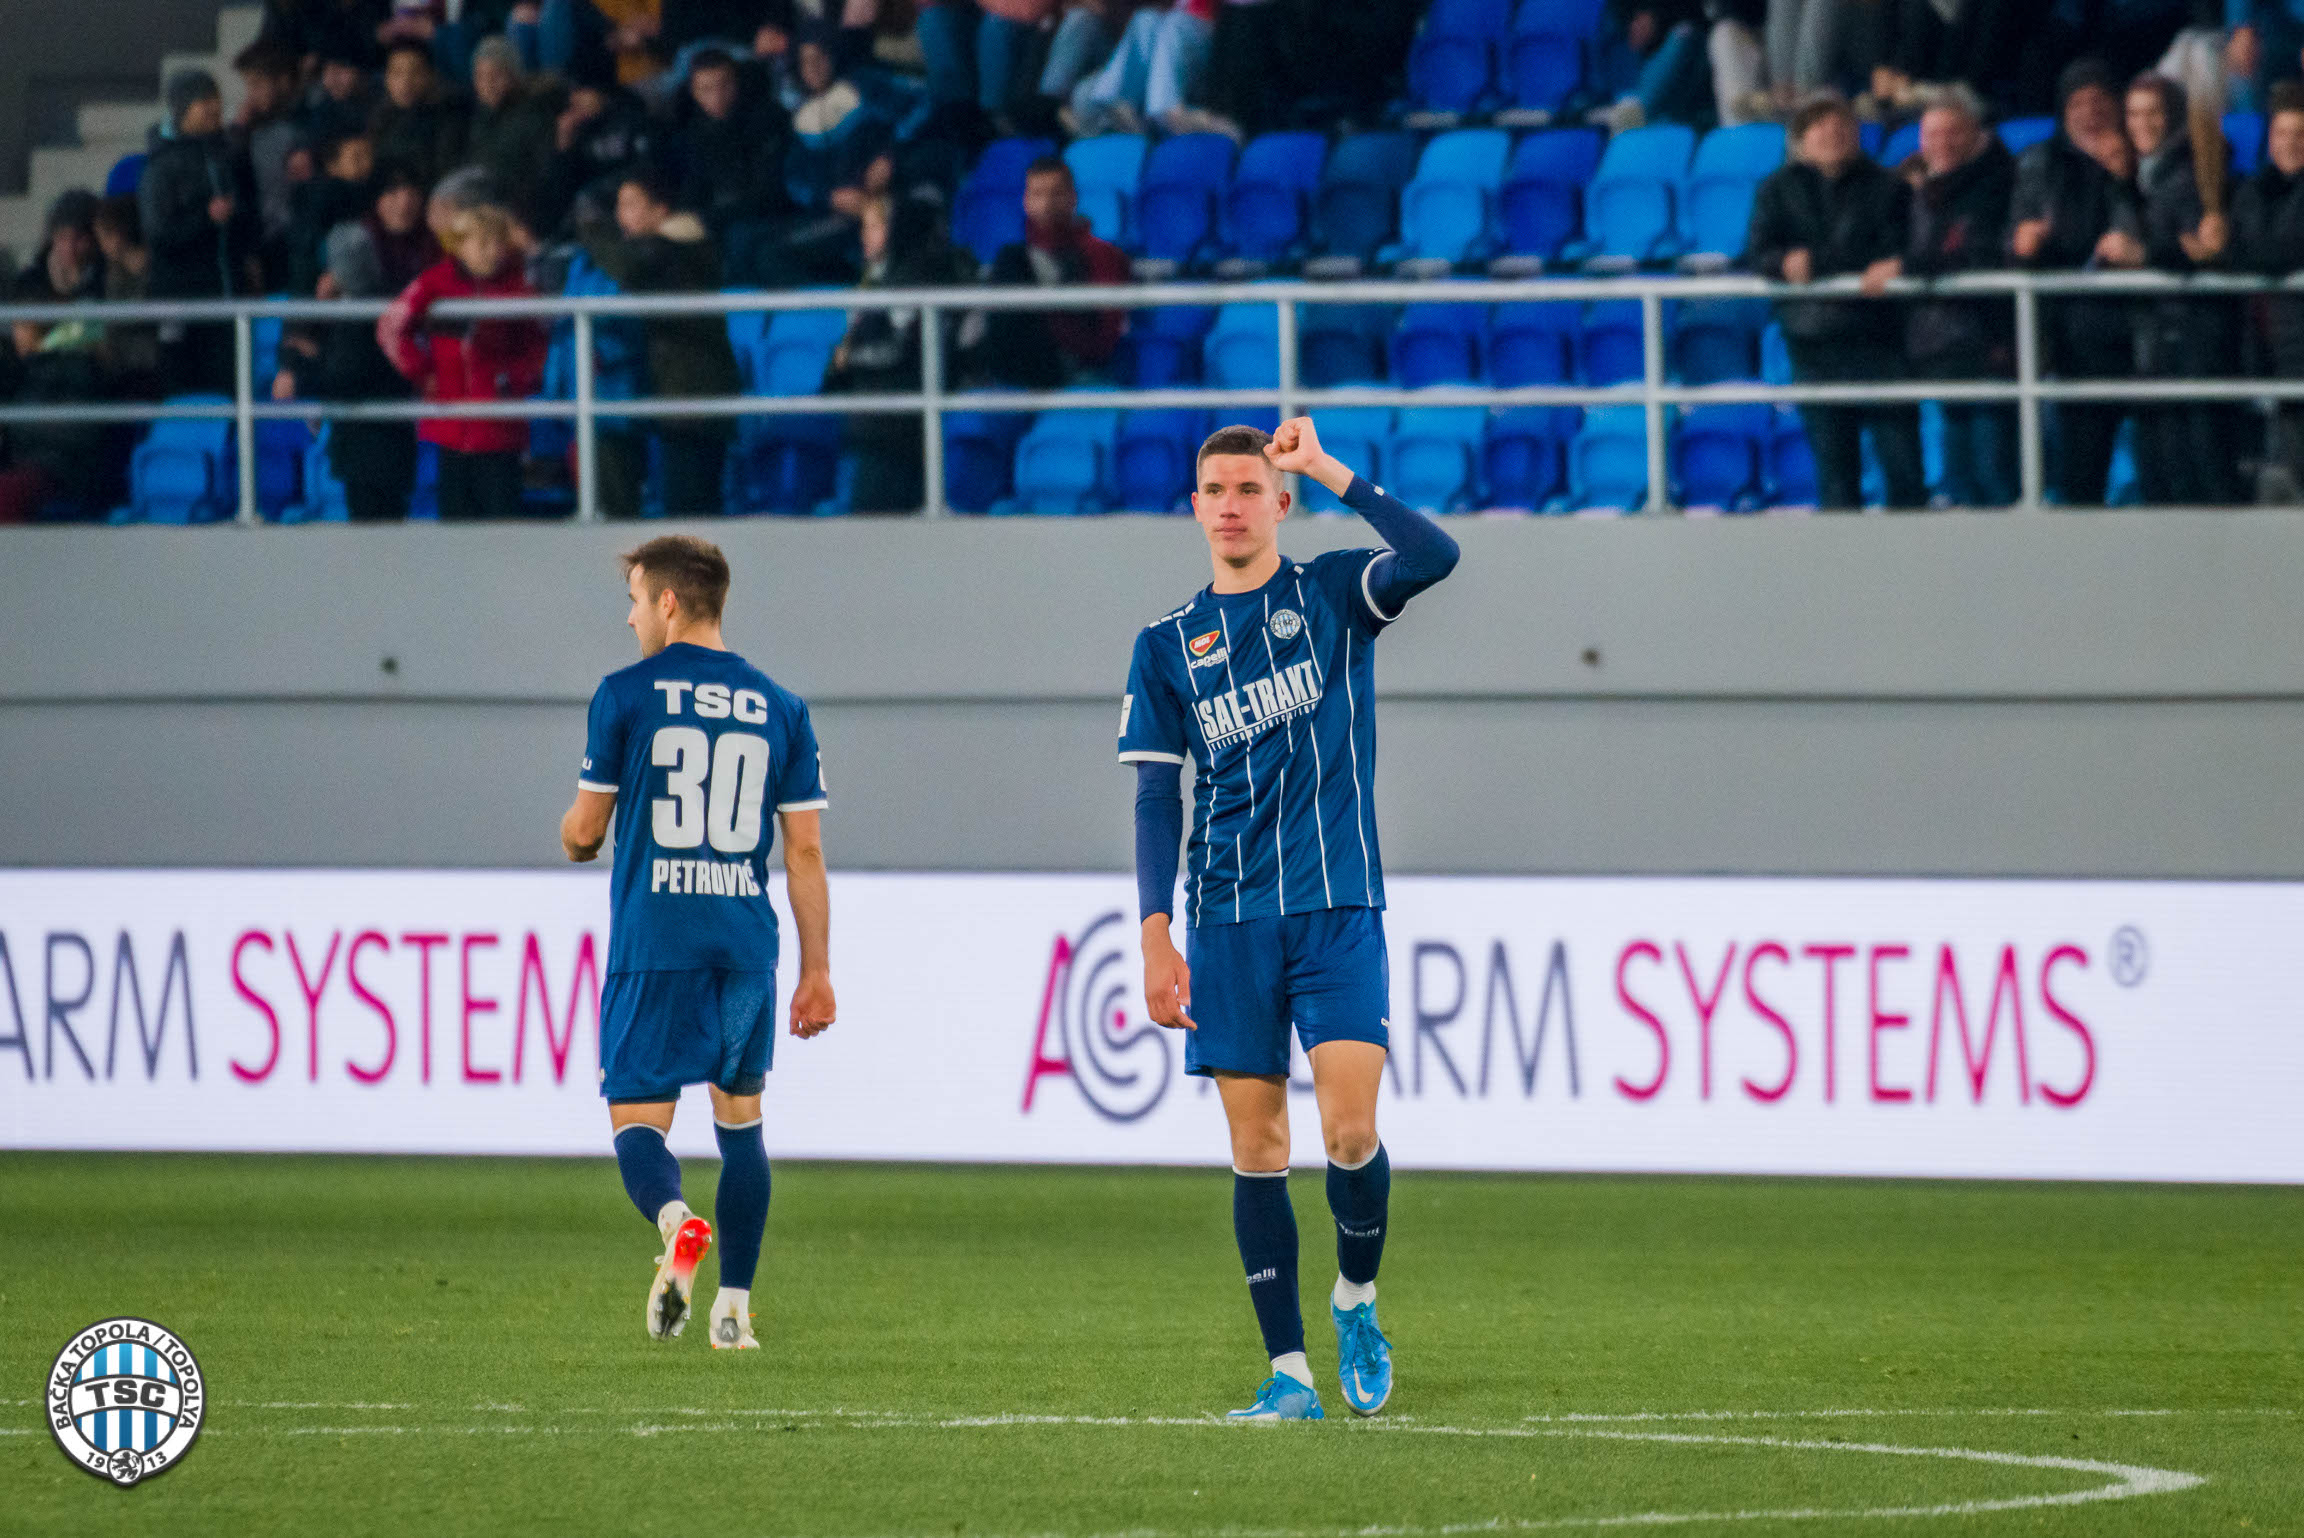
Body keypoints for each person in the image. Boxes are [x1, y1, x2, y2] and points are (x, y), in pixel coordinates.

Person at [1119, 417, 1460, 1421]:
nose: (1230, 503)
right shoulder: (1164, 645)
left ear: (1279, 504)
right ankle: (1290, 1372)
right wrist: (1152, 931)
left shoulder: (1330, 594)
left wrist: (1327, 466)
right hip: (1225, 919)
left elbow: (1436, 555)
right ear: (1195, 506)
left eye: (1249, 487)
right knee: (1258, 1146)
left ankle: (1356, 1297)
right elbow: (1153, 798)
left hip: (1337, 900)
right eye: (1214, 490)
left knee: (1350, 1129)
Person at [558, 534, 835, 1349]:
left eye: (637, 601)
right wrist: (817, 971)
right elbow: (806, 852)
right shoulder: (782, 706)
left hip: (657, 937)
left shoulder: (625, 696)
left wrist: (574, 838)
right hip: (746, 941)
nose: (633, 618)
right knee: (741, 1119)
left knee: (637, 1120)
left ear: (669, 603)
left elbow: (585, 830)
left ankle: (677, 1218)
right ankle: (734, 1313)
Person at [1744, 92, 1926, 509]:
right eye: (1820, 127)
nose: (1833, 134)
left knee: (1903, 470)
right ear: (1801, 139)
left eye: (1842, 125)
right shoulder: (1776, 189)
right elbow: (1756, 253)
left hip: (1880, 343)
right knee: (1836, 477)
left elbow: (1895, 248)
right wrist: (1781, 262)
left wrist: (1814, 262)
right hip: (1813, 345)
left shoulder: (1888, 187)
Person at [2010, 58, 2144, 507]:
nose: (2090, 112)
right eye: (2078, 102)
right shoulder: (2039, 164)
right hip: (2072, 336)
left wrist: (2125, 181)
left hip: (2141, 332)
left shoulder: (2144, 155)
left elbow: (2147, 235)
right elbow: (2015, 245)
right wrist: (2023, 246)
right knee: (2080, 471)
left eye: (2099, 101)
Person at [584, 168, 742, 518]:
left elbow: (626, 267)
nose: (623, 215)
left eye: (633, 204)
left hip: (693, 395)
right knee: (688, 503)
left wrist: (593, 231)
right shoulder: (673, 248)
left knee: (690, 506)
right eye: (620, 206)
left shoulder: (671, 250)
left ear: (661, 209)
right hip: (680, 393)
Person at [2121, 70, 2246, 505]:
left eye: (2153, 113)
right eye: (2134, 113)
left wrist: (2148, 253)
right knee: (2161, 459)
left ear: (2173, 117)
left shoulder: (2194, 175)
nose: (2142, 123)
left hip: (2192, 335)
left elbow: (2201, 249)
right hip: (2159, 338)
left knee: (2198, 459)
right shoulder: (2145, 175)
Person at [377, 202, 546, 519]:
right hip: (451, 430)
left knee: (503, 531)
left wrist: (514, 381)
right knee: (456, 532)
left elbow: (538, 347)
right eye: (481, 241)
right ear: (459, 245)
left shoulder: (521, 287)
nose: (492, 250)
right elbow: (390, 326)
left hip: (501, 430)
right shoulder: (435, 282)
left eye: (497, 241)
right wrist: (423, 372)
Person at [1897, 86, 2018, 507]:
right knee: (1959, 479)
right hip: (1941, 351)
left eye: (1952, 133)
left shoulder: (1998, 184)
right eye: (1932, 135)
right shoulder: (1917, 192)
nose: (1941, 144)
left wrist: (1908, 268)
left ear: (1974, 136)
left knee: (1993, 474)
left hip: (1988, 345)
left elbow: (1973, 251)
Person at [822, 192, 976, 512]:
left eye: (876, 226)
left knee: (876, 531)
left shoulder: (913, 276)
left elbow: (900, 347)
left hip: (891, 423)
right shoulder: (885, 278)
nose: (866, 235)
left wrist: (850, 358)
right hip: (883, 421)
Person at [279, 221, 419, 520]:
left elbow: (349, 376)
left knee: (375, 531)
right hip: (380, 447)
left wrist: (301, 383)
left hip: (371, 449)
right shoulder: (370, 304)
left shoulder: (361, 314)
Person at [141, 69, 263, 396]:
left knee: (228, 386)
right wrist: (206, 218)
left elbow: (247, 212)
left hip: (226, 293)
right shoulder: (161, 166)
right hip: (182, 297)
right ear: (183, 109)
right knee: (184, 388)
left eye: (214, 98)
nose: (213, 106)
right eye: (202, 100)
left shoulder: (225, 153)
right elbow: (159, 231)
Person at [982, 155, 1128, 388]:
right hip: (1017, 361)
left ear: (1073, 199)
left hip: (1069, 362)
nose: (1047, 204)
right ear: (1026, 202)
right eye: (1038, 195)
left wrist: (1056, 326)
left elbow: (1105, 334)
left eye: (1056, 193)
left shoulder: (1102, 254)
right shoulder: (1015, 258)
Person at [2230, 79, 2304, 497]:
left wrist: (2237, 251)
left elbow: (2287, 249)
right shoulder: (2254, 190)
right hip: (2270, 352)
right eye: (2281, 133)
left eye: (2301, 134)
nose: (2290, 144)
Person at [465, 35, 563, 232]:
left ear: (514, 75)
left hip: (522, 211)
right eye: (481, 76)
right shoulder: (480, 117)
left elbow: (541, 175)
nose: (488, 84)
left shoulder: (535, 114)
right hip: (484, 204)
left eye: (496, 75)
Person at [369, 39, 471, 189]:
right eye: (397, 73)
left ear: (430, 76)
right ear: (387, 78)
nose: (405, 82)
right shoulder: (380, 119)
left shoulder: (449, 116)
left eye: (415, 73)